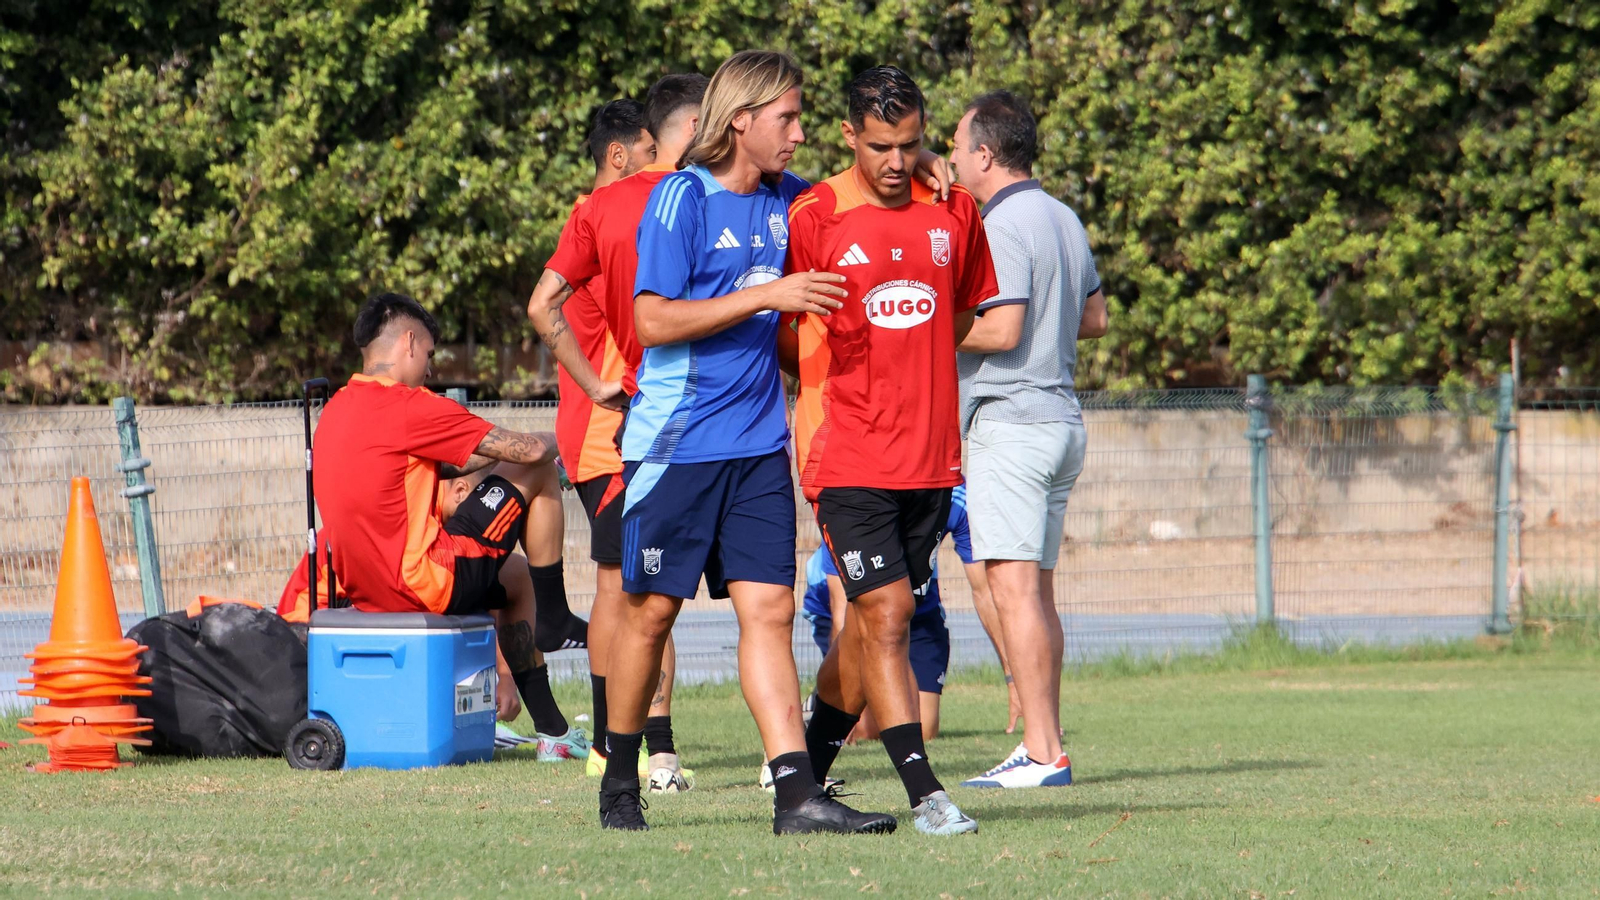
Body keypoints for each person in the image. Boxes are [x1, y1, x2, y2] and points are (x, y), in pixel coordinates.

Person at [596, 50, 896, 835]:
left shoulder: (789, 201)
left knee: (768, 612)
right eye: (787, 119)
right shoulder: (679, 199)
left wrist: (919, 167)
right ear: (741, 121)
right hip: (675, 446)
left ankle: (796, 795)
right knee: (650, 613)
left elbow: (860, 199)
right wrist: (767, 294)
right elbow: (651, 321)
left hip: (761, 447)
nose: (798, 134)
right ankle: (619, 783)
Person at [784, 65, 997, 835]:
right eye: (879, 146)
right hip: (846, 457)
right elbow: (783, 328)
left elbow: (963, 314)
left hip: (932, 461)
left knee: (868, 628)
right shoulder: (813, 216)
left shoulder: (955, 215)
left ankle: (800, 774)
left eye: (909, 145)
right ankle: (925, 794)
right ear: (849, 136)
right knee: (890, 611)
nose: (896, 163)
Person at [277, 291, 573, 749]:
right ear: (409, 343)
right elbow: (530, 451)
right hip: (424, 582)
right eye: (430, 355)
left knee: (515, 578)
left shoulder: (335, 411)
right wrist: (569, 439)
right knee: (537, 467)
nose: (431, 370)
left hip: (368, 592)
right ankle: (558, 614)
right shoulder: (410, 406)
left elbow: (431, 465)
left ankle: (555, 733)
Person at [528, 91, 700, 792]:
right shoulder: (613, 211)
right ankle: (630, 743)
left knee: (639, 588)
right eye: (669, 140)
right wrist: (599, 384)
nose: (674, 155)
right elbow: (547, 307)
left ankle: (627, 741)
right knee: (630, 589)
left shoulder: (600, 213)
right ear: (623, 151)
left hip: (615, 422)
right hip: (616, 428)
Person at [948, 90, 1109, 789]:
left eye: (957, 148)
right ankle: (1048, 743)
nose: (952, 159)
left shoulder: (1003, 223)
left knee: (1014, 593)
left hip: (1011, 424)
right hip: (1060, 421)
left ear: (985, 155)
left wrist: (927, 322)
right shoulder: (1063, 216)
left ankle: (1044, 752)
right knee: (1036, 594)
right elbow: (1095, 318)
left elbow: (1002, 330)